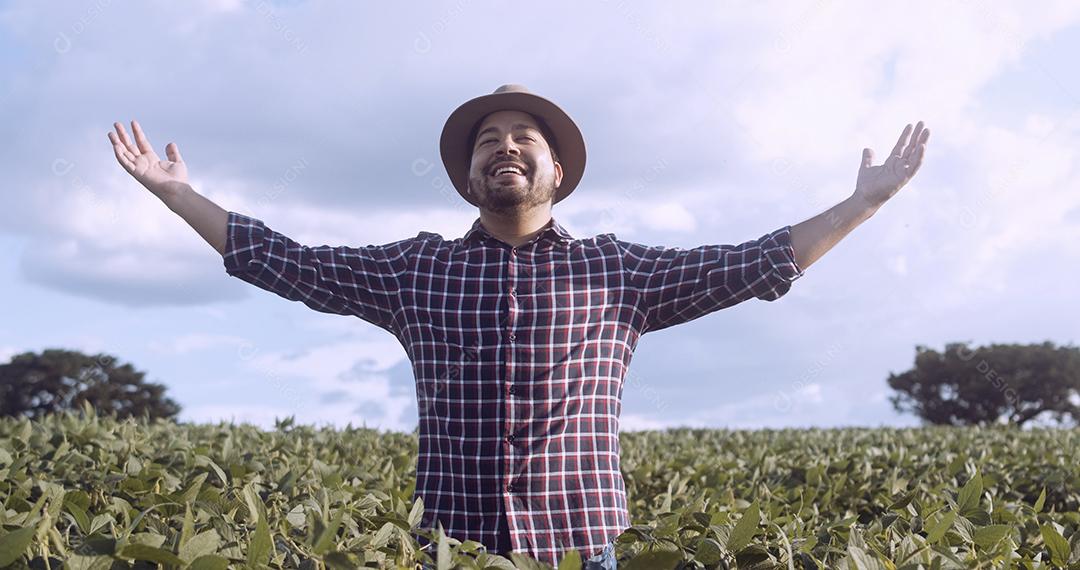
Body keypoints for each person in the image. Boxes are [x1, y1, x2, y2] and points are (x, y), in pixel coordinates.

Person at [108, 84, 929, 568]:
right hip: (455, 546)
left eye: (524, 138)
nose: (506, 147)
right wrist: (178, 195)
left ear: (556, 172)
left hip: (580, 545)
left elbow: (753, 265)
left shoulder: (617, 269)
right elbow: (285, 261)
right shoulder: (415, 269)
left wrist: (865, 201)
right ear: (468, 178)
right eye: (488, 143)